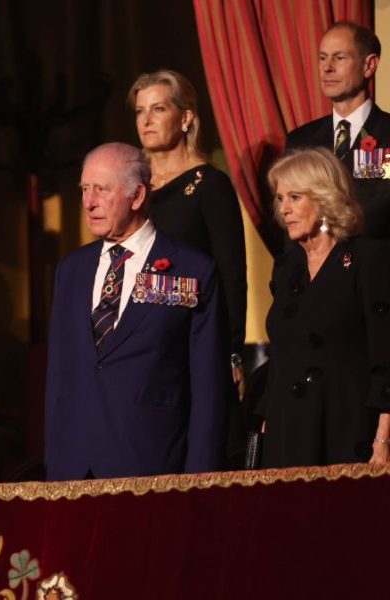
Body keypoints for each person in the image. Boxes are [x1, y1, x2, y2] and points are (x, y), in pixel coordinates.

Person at [44, 142, 229, 480]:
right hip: (73, 470)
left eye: (101, 189)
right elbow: (58, 376)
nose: (88, 202)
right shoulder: (70, 270)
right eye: (85, 188)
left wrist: (200, 480)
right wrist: (55, 463)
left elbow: (208, 389)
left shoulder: (192, 270)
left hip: (151, 466)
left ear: (138, 195)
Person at [257, 148, 390, 468]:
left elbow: (386, 357)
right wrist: (266, 422)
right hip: (289, 432)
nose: (284, 208)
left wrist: (383, 440)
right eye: (279, 198)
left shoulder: (369, 259)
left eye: (295, 197)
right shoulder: (287, 268)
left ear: (325, 197)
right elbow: (282, 355)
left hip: (349, 430)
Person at [128, 70, 247, 379]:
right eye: (140, 111)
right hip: (132, 337)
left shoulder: (209, 184)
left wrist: (232, 350)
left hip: (190, 334)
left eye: (159, 109)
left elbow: (231, 274)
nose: (146, 120)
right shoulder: (130, 185)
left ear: (185, 118)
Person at [285, 21, 390, 239]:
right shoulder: (300, 141)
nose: (327, 67)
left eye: (339, 58)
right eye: (323, 58)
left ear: (369, 65)